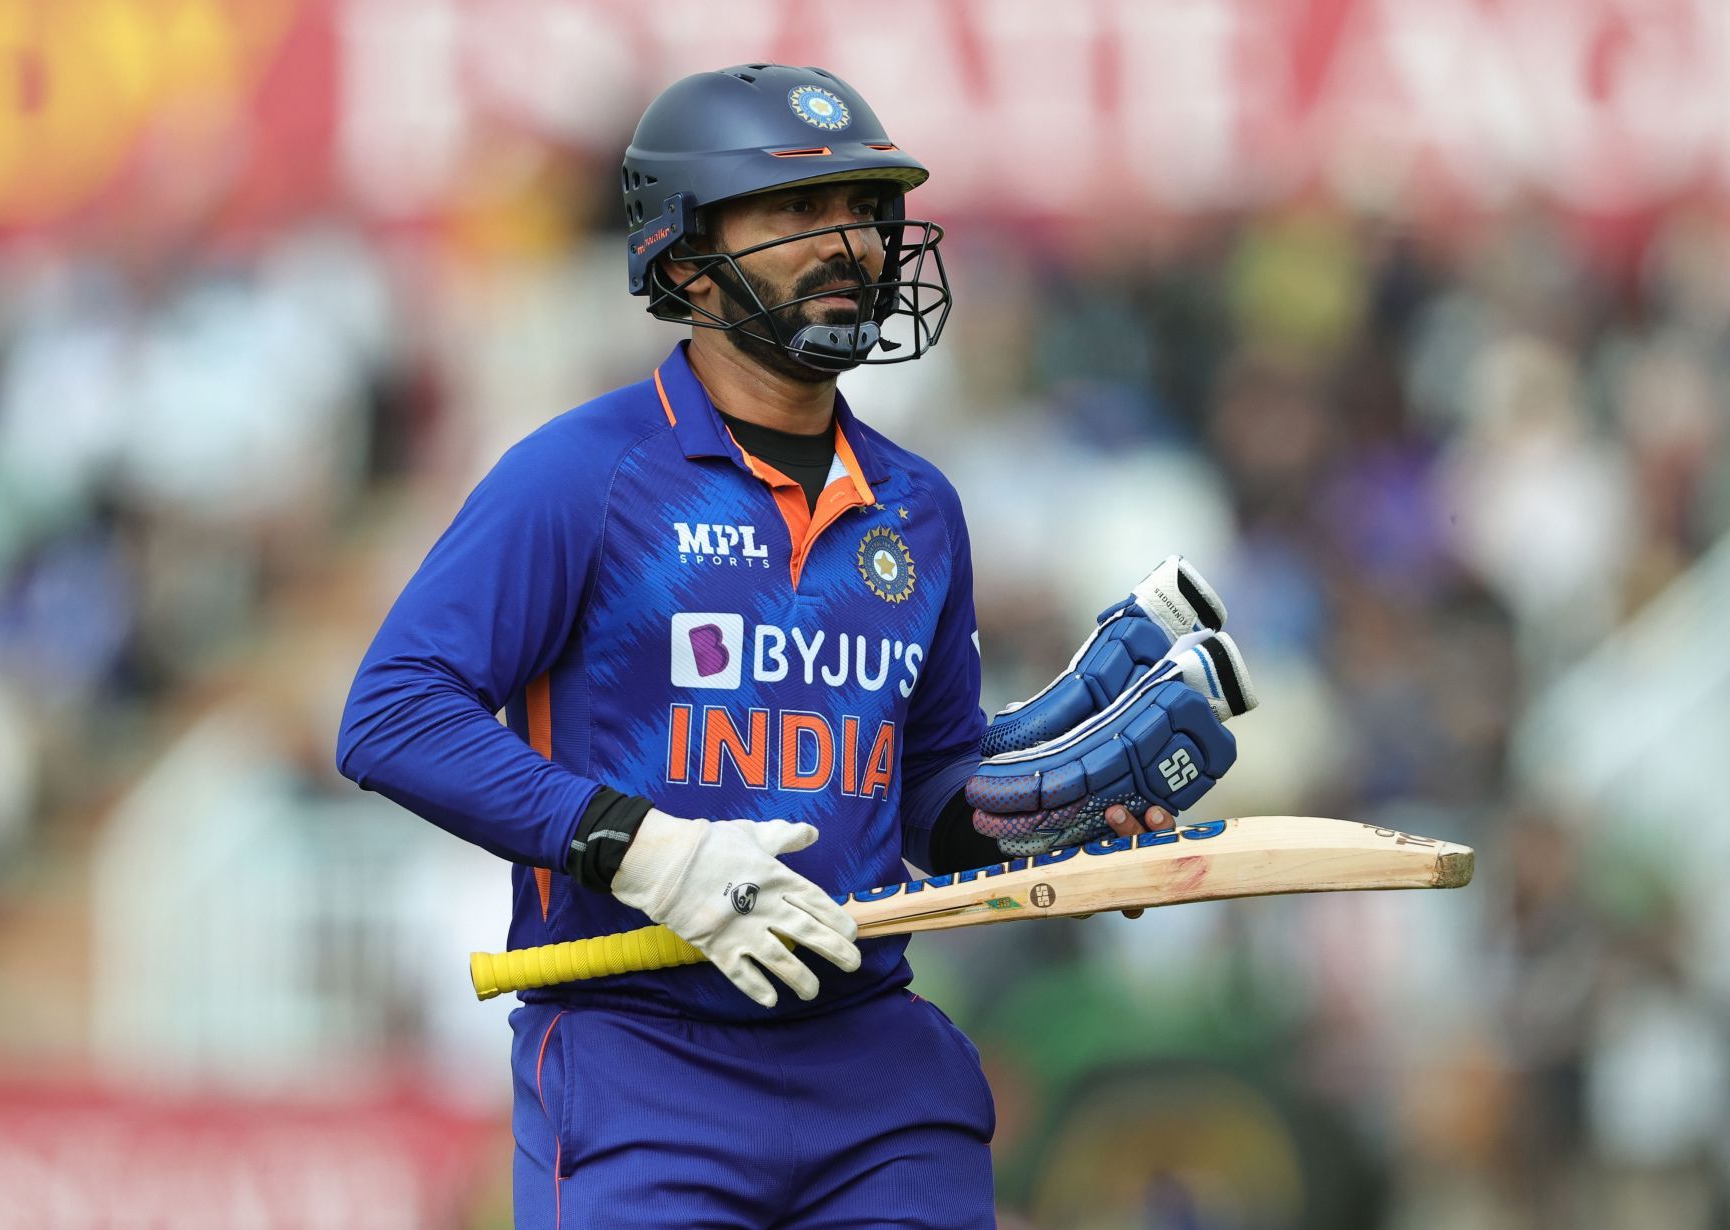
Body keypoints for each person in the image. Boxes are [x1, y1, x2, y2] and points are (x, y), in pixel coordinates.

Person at [338, 63, 1231, 1228]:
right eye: (799, 213)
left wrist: (1057, 832)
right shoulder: (579, 476)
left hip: (876, 1075)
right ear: (686, 250)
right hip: (639, 1059)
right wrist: (643, 849)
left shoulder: (920, 507)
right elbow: (395, 714)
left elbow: (927, 798)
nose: (851, 243)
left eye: (865, 209)